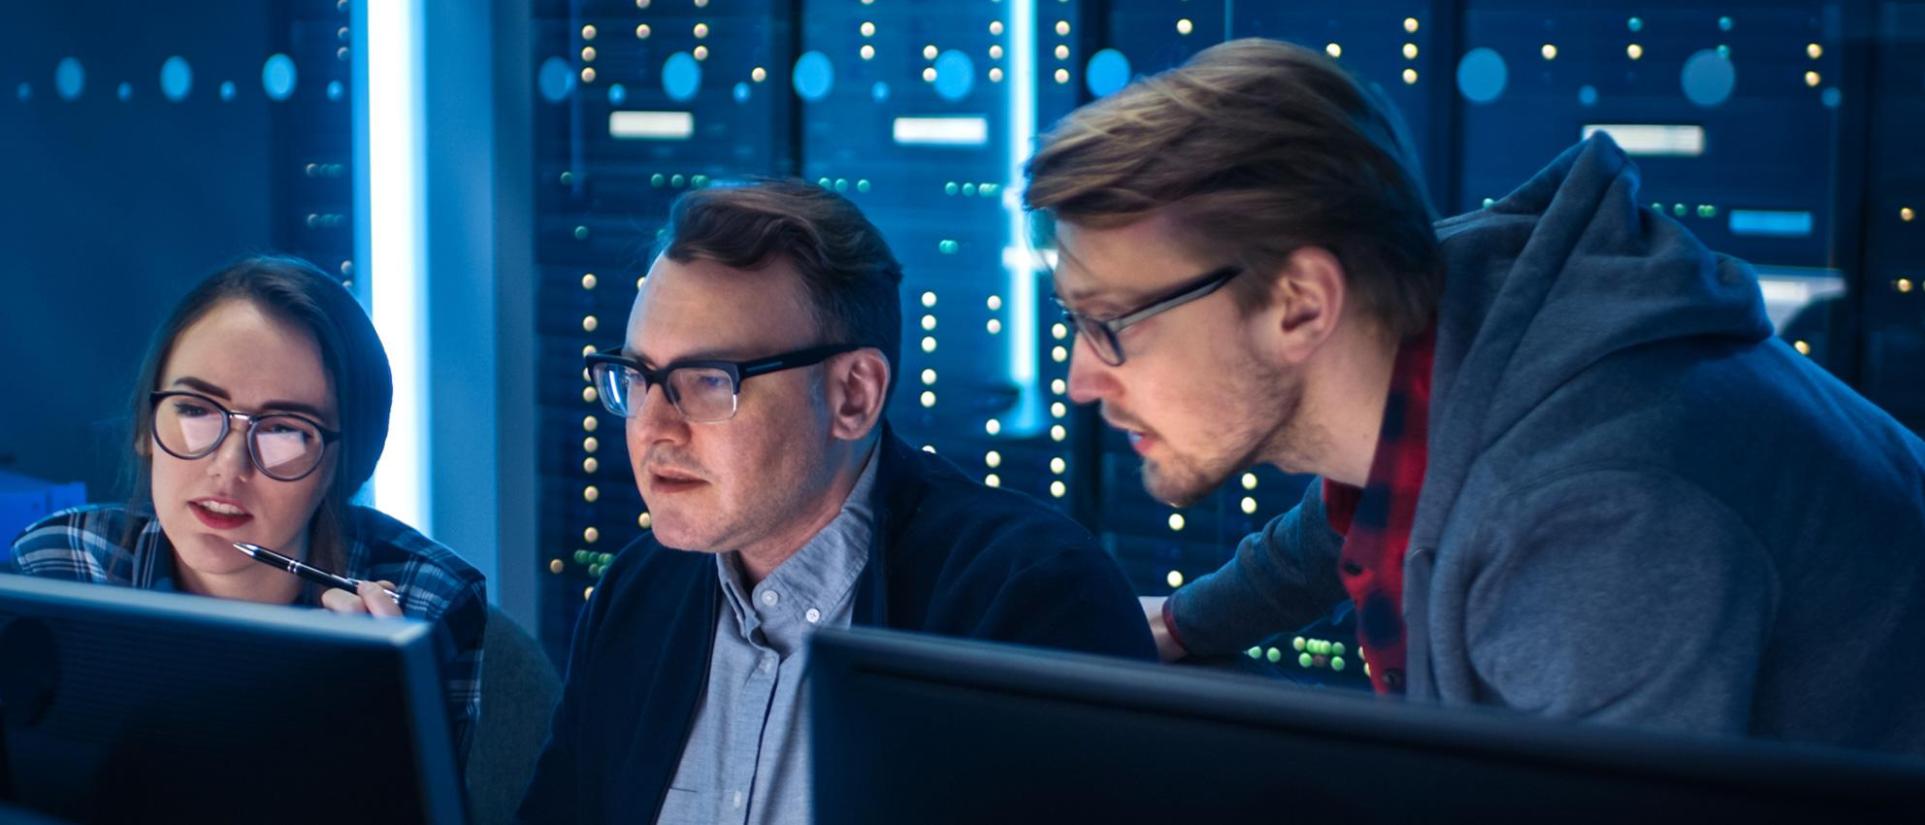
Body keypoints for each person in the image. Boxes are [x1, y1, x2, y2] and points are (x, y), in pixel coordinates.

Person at [1023, 38, 1925, 753]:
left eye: (1112, 324)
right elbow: (1342, 515)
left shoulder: (1594, 518)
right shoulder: (1455, 328)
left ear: (1299, 303)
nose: (1077, 380)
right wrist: (1184, 622)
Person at [519, 180, 1156, 823]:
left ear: (854, 396)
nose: (654, 427)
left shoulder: (1023, 601)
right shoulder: (637, 594)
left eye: (708, 381)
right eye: (636, 378)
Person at [7, 255, 488, 757]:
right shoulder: (60, 565)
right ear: (145, 428)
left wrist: (365, 712)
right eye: (194, 410)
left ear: (346, 466)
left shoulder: (425, 603)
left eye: (284, 430)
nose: (228, 467)